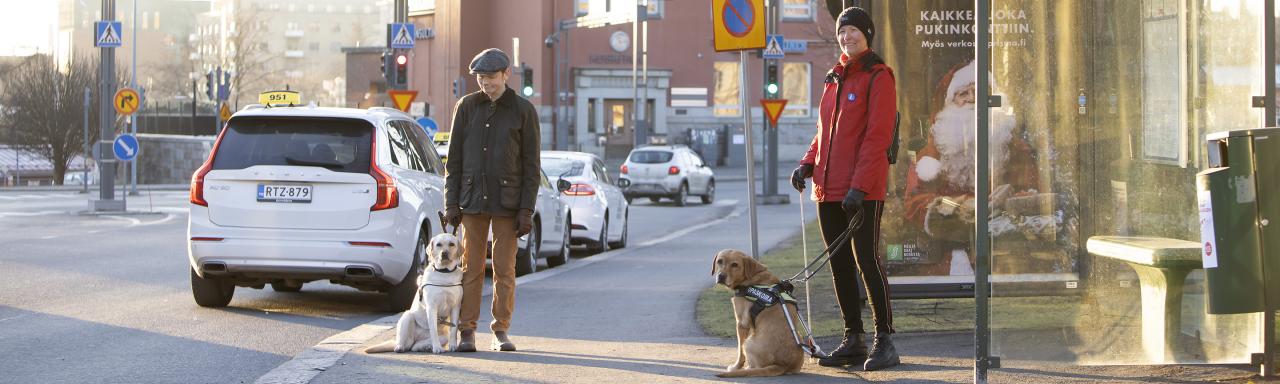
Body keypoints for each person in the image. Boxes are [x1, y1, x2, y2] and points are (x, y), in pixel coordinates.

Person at [791, 6, 899, 371]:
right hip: (827, 187)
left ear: (867, 34)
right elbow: (825, 131)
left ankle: (885, 340)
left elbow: (877, 137)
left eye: (854, 30)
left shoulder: (879, 76)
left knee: (866, 260)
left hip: (861, 191)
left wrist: (860, 187)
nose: (847, 36)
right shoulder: (833, 77)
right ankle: (853, 338)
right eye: (842, 31)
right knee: (839, 265)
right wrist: (808, 162)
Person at [902, 60, 1041, 277]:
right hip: (949, 250)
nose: (972, 99)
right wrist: (958, 206)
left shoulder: (1012, 146)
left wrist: (1008, 199)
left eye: (978, 92)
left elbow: (1034, 192)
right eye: (963, 93)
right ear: (951, 102)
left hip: (1005, 251)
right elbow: (914, 202)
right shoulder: (932, 152)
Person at [442, 48, 541, 353]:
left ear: (506, 75)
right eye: (481, 78)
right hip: (472, 201)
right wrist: (451, 203)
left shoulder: (523, 110)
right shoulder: (467, 106)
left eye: (491, 77)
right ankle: (467, 330)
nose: (486, 83)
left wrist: (526, 210)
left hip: (508, 203)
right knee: (471, 268)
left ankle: (501, 330)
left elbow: (531, 165)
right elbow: (454, 160)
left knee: (504, 269)